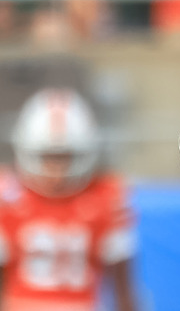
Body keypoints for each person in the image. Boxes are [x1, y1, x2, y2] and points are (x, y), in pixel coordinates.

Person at [0, 88, 137, 311]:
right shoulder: (8, 194)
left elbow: (123, 287)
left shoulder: (105, 193)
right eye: (48, 158)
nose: (57, 169)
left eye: (65, 157)